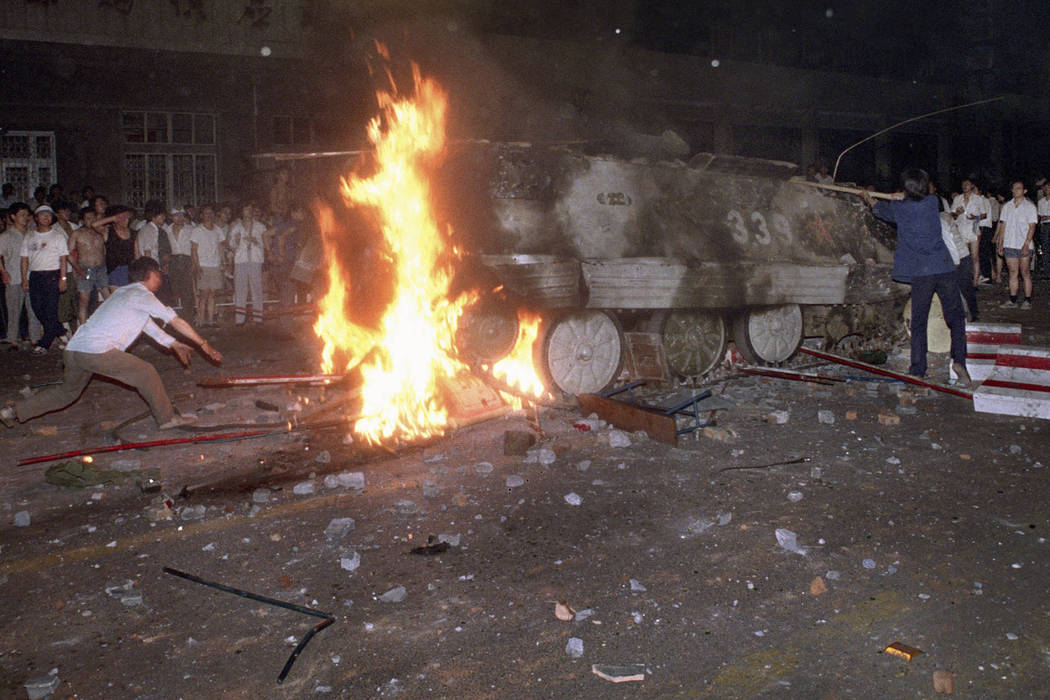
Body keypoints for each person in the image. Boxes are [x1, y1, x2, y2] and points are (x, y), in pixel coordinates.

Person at [0, 257, 222, 431]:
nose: (161, 280)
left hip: (74, 351)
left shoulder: (123, 294)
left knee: (67, 393)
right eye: (159, 275)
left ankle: (13, 411)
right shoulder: (141, 294)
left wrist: (174, 344)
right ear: (151, 274)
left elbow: (148, 327)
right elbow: (175, 320)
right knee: (146, 372)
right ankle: (167, 419)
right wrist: (203, 344)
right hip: (96, 352)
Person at [866, 168, 970, 386]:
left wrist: (869, 198)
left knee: (919, 322)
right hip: (943, 267)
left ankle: (917, 370)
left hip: (922, 273)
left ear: (905, 189)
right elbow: (912, 200)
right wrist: (902, 197)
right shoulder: (932, 203)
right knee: (956, 318)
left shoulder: (898, 210)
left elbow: (879, 210)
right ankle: (959, 361)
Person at [20, 204, 69, 354]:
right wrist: (24, 279)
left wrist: (63, 278)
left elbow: (63, 259)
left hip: (52, 275)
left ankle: (45, 344)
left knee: (50, 310)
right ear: (36, 218)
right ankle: (60, 331)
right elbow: (24, 259)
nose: (46, 217)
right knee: (37, 308)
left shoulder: (58, 236)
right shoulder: (30, 235)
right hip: (35, 276)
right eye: (42, 214)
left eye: (49, 214)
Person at [0, 203, 42, 347]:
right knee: (13, 310)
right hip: (14, 277)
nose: (25, 218)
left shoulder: (32, 234)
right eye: (21, 215)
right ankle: (12, 339)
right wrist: (3, 272)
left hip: (32, 278)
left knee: (34, 309)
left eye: (27, 215)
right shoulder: (6, 236)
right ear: (13, 217)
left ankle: (35, 338)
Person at [994, 180, 1038, 309]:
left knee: (1025, 273)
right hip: (1010, 243)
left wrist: (1026, 243)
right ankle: (1012, 300)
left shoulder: (1030, 207)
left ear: (1024, 191)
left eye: (1019, 188)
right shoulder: (1007, 206)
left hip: (1024, 244)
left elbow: (1032, 227)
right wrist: (1001, 243)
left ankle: (1027, 300)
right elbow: (1003, 225)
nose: (1016, 190)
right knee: (1013, 272)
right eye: (1014, 188)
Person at [67, 208, 111, 325]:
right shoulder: (77, 233)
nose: (91, 221)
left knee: (109, 299)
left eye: (93, 218)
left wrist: (105, 233)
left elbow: (105, 250)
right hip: (85, 268)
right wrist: (78, 270)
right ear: (82, 221)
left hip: (101, 268)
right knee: (84, 302)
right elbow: (68, 254)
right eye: (88, 218)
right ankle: (82, 330)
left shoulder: (100, 232)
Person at [228, 203, 269, 325]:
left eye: (250, 210)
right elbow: (231, 245)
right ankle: (240, 319)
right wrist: (236, 240)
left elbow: (266, 243)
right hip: (241, 260)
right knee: (240, 290)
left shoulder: (260, 227)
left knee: (256, 289)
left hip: (255, 260)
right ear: (242, 212)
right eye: (246, 210)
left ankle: (258, 317)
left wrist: (256, 241)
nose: (248, 212)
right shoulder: (237, 227)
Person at [190, 204, 225, 326]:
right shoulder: (197, 230)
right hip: (203, 265)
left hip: (215, 265)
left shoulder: (218, 230)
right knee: (203, 294)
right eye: (206, 213)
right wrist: (197, 265)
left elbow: (220, 247)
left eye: (211, 213)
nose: (209, 215)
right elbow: (194, 249)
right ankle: (200, 321)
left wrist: (223, 262)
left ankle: (210, 320)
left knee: (212, 294)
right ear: (201, 215)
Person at [950, 179, 987, 289]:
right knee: (962, 257)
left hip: (974, 229)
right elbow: (952, 215)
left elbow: (984, 214)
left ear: (972, 186)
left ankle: (975, 282)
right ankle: (963, 280)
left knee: (974, 256)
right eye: (963, 184)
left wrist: (975, 217)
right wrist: (957, 213)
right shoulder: (957, 199)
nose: (965, 186)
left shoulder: (978, 199)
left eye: (967, 184)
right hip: (961, 230)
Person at [165, 208, 196, 322]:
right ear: (171, 217)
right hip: (173, 260)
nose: (179, 218)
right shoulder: (166, 230)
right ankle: (174, 319)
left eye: (181, 215)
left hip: (187, 259)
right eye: (176, 215)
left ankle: (189, 318)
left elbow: (195, 247)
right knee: (173, 289)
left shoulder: (191, 229)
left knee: (187, 291)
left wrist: (194, 262)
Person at [104, 204, 136, 291]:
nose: (126, 220)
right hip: (114, 269)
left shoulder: (133, 232)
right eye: (123, 217)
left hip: (129, 269)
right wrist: (113, 218)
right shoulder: (109, 231)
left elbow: (137, 254)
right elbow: (94, 225)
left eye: (127, 218)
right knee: (117, 297)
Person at [1036, 181, 1050, 280]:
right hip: (1044, 226)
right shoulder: (1041, 201)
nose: (1045, 190)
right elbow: (1039, 215)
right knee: (1045, 249)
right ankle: (1047, 273)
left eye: (1047, 188)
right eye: (1044, 188)